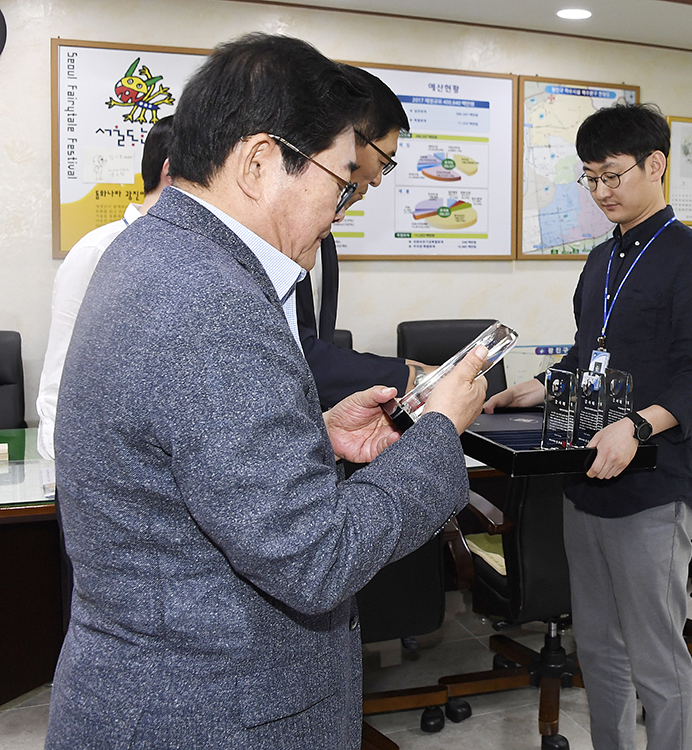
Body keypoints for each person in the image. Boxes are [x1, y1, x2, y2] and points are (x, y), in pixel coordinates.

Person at [45, 34, 486, 750]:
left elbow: (189, 449)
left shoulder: (151, 251)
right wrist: (438, 433)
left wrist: (314, 429)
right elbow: (317, 560)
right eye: (341, 180)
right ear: (258, 161)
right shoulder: (211, 298)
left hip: (152, 689)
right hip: (213, 715)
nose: (343, 206)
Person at [485, 103, 692, 750]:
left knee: (656, 658)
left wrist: (638, 428)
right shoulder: (602, 260)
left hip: (653, 487)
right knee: (598, 649)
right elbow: (586, 352)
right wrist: (536, 386)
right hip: (584, 482)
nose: (601, 193)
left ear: (657, 165)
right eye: (590, 178)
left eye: (613, 176)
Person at [36, 115, 175, 459]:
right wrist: (64, 473)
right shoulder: (97, 250)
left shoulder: (204, 256)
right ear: (170, 173)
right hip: (97, 469)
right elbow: (60, 374)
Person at [297, 66, 428, 408]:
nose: (379, 179)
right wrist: (408, 376)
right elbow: (298, 353)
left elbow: (314, 346)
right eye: (384, 160)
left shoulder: (324, 228)